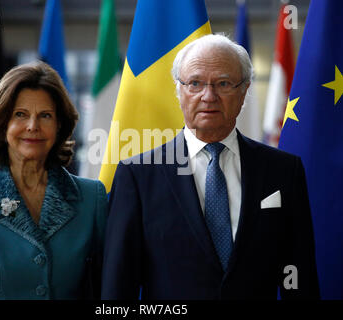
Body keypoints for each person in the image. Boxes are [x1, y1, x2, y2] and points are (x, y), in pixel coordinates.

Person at [101, 34, 320, 300]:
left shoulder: (284, 171)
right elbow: (118, 286)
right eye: (195, 83)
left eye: (224, 83)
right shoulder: (138, 175)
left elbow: (298, 275)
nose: (209, 96)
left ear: (244, 91)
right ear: (179, 91)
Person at [0, 61, 108, 299]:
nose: (33, 126)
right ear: (2, 123)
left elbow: (108, 293)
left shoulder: (92, 199)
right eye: (20, 115)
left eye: (45, 115)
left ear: (59, 125)